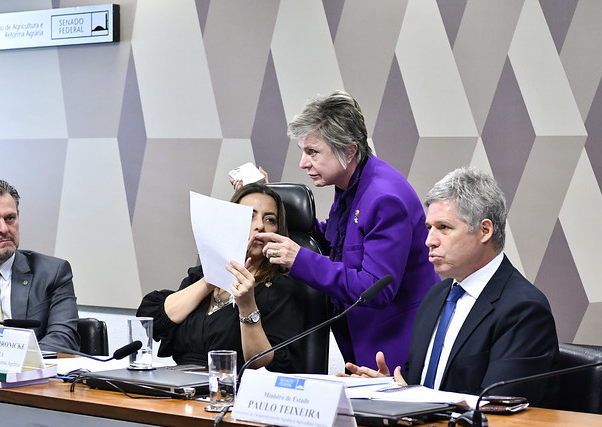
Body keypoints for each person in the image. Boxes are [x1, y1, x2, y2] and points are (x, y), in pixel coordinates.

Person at [233, 91, 438, 370]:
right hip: (362, 342)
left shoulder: (384, 198)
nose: (303, 163)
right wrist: (267, 199)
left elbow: (375, 289)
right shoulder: (350, 182)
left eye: (312, 152)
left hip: (396, 349)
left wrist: (299, 259)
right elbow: (337, 240)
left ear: (349, 150)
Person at [343, 167, 559, 405]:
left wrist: (413, 397)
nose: (429, 241)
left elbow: (497, 405)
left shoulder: (524, 309)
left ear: (485, 231)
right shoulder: (436, 296)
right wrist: (389, 388)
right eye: (429, 228)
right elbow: (417, 384)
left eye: (444, 228)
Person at [137, 183, 306, 373]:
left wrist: (247, 305)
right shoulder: (200, 275)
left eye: (269, 219)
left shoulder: (280, 288)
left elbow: (262, 364)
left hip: (231, 385)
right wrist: (215, 273)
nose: (260, 225)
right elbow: (157, 320)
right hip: (180, 384)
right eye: (249, 216)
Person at [0, 177, 80, 351]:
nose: (4, 229)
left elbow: (63, 338)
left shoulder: (52, 273)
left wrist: (12, 361)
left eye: (10, 218)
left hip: (26, 367)